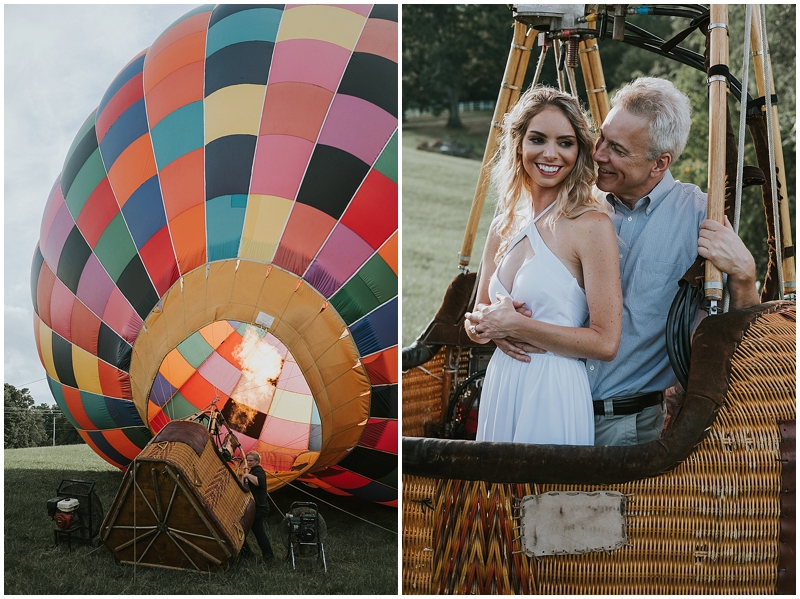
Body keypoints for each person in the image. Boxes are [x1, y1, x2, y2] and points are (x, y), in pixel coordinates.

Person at [478, 77, 760, 446]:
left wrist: (744, 276)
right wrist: (499, 329)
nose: (598, 155)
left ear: (660, 163)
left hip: (628, 424)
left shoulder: (699, 217)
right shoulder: (574, 204)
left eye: (618, 150)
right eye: (602, 139)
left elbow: (735, 332)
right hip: (546, 401)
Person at [464, 85, 622, 445]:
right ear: (518, 144)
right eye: (538, 139)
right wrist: (483, 327)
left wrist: (517, 325)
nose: (551, 154)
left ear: (579, 150)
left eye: (565, 143)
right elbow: (479, 316)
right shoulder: (503, 223)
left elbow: (605, 342)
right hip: (503, 381)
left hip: (554, 389)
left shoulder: (592, 226)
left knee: (543, 498)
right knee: (497, 499)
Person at [241, 451, 275, 561]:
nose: (249, 462)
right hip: (257, 508)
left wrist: (246, 475)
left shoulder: (258, 471)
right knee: (258, 533)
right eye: (248, 460)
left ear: (257, 461)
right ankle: (267, 556)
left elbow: (259, 482)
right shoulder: (254, 471)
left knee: (242, 531)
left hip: (259, 508)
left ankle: (249, 555)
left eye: (251, 460)